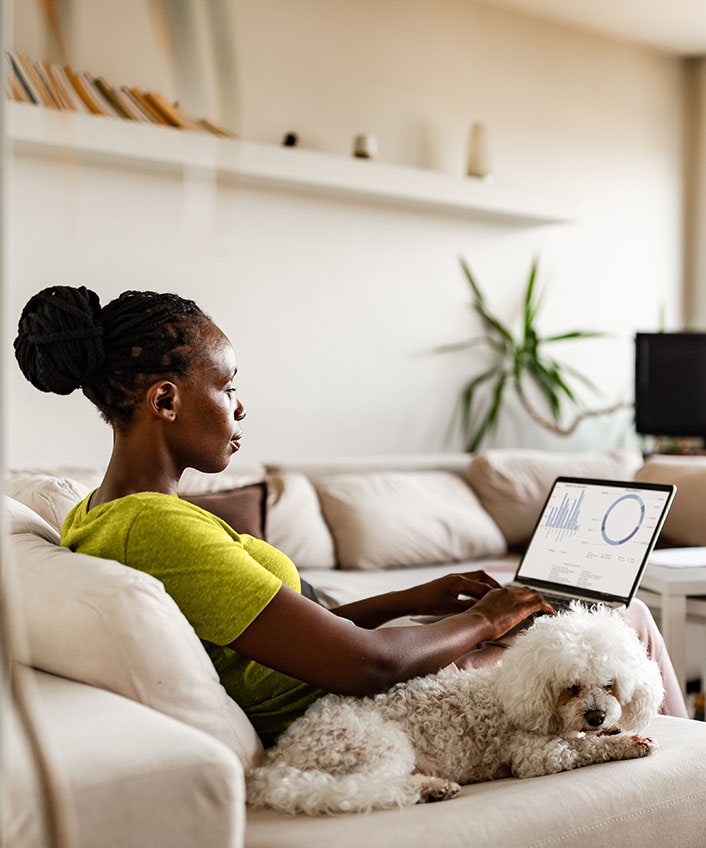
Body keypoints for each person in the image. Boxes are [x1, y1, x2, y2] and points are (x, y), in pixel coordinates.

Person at [13, 286, 688, 746]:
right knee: (620, 617)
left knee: (571, 615)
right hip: (355, 708)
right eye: (227, 387)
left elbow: (285, 634)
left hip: (332, 684)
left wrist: (415, 597)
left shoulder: (95, 516)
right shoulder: (154, 528)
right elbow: (363, 666)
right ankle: (689, 784)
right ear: (165, 400)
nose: (239, 408)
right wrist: (488, 618)